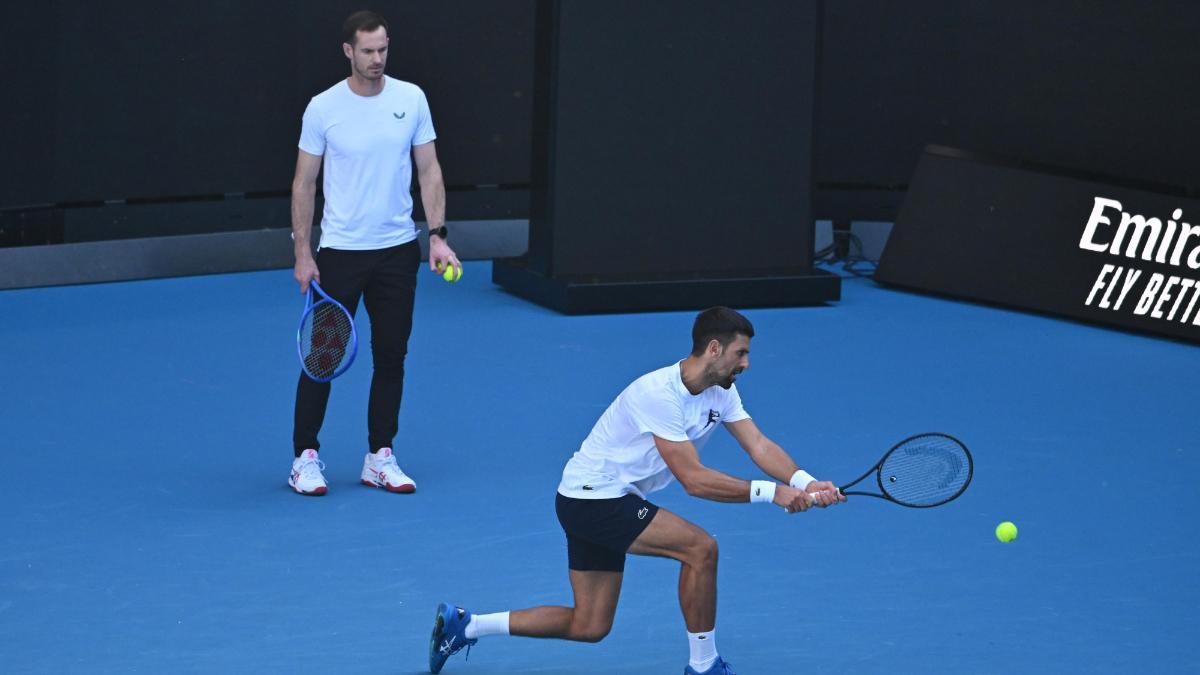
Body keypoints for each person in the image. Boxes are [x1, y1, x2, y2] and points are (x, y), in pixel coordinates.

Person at [427, 307, 846, 674]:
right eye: (742, 353)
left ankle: (467, 625)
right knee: (700, 549)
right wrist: (771, 493)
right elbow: (693, 480)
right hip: (594, 499)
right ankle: (704, 666)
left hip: (594, 498)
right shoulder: (659, 395)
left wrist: (804, 482)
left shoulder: (723, 390)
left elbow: (759, 444)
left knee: (589, 626)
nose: (747, 364)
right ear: (714, 349)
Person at [287, 10, 459, 496]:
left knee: (392, 356)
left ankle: (379, 456)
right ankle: (305, 457)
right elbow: (305, 182)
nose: (377, 59)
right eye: (367, 51)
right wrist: (304, 251)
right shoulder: (323, 107)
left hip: (397, 252)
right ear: (348, 51)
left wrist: (438, 236)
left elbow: (429, 171)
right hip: (340, 253)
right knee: (322, 356)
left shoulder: (411, 99)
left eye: (383, 49)